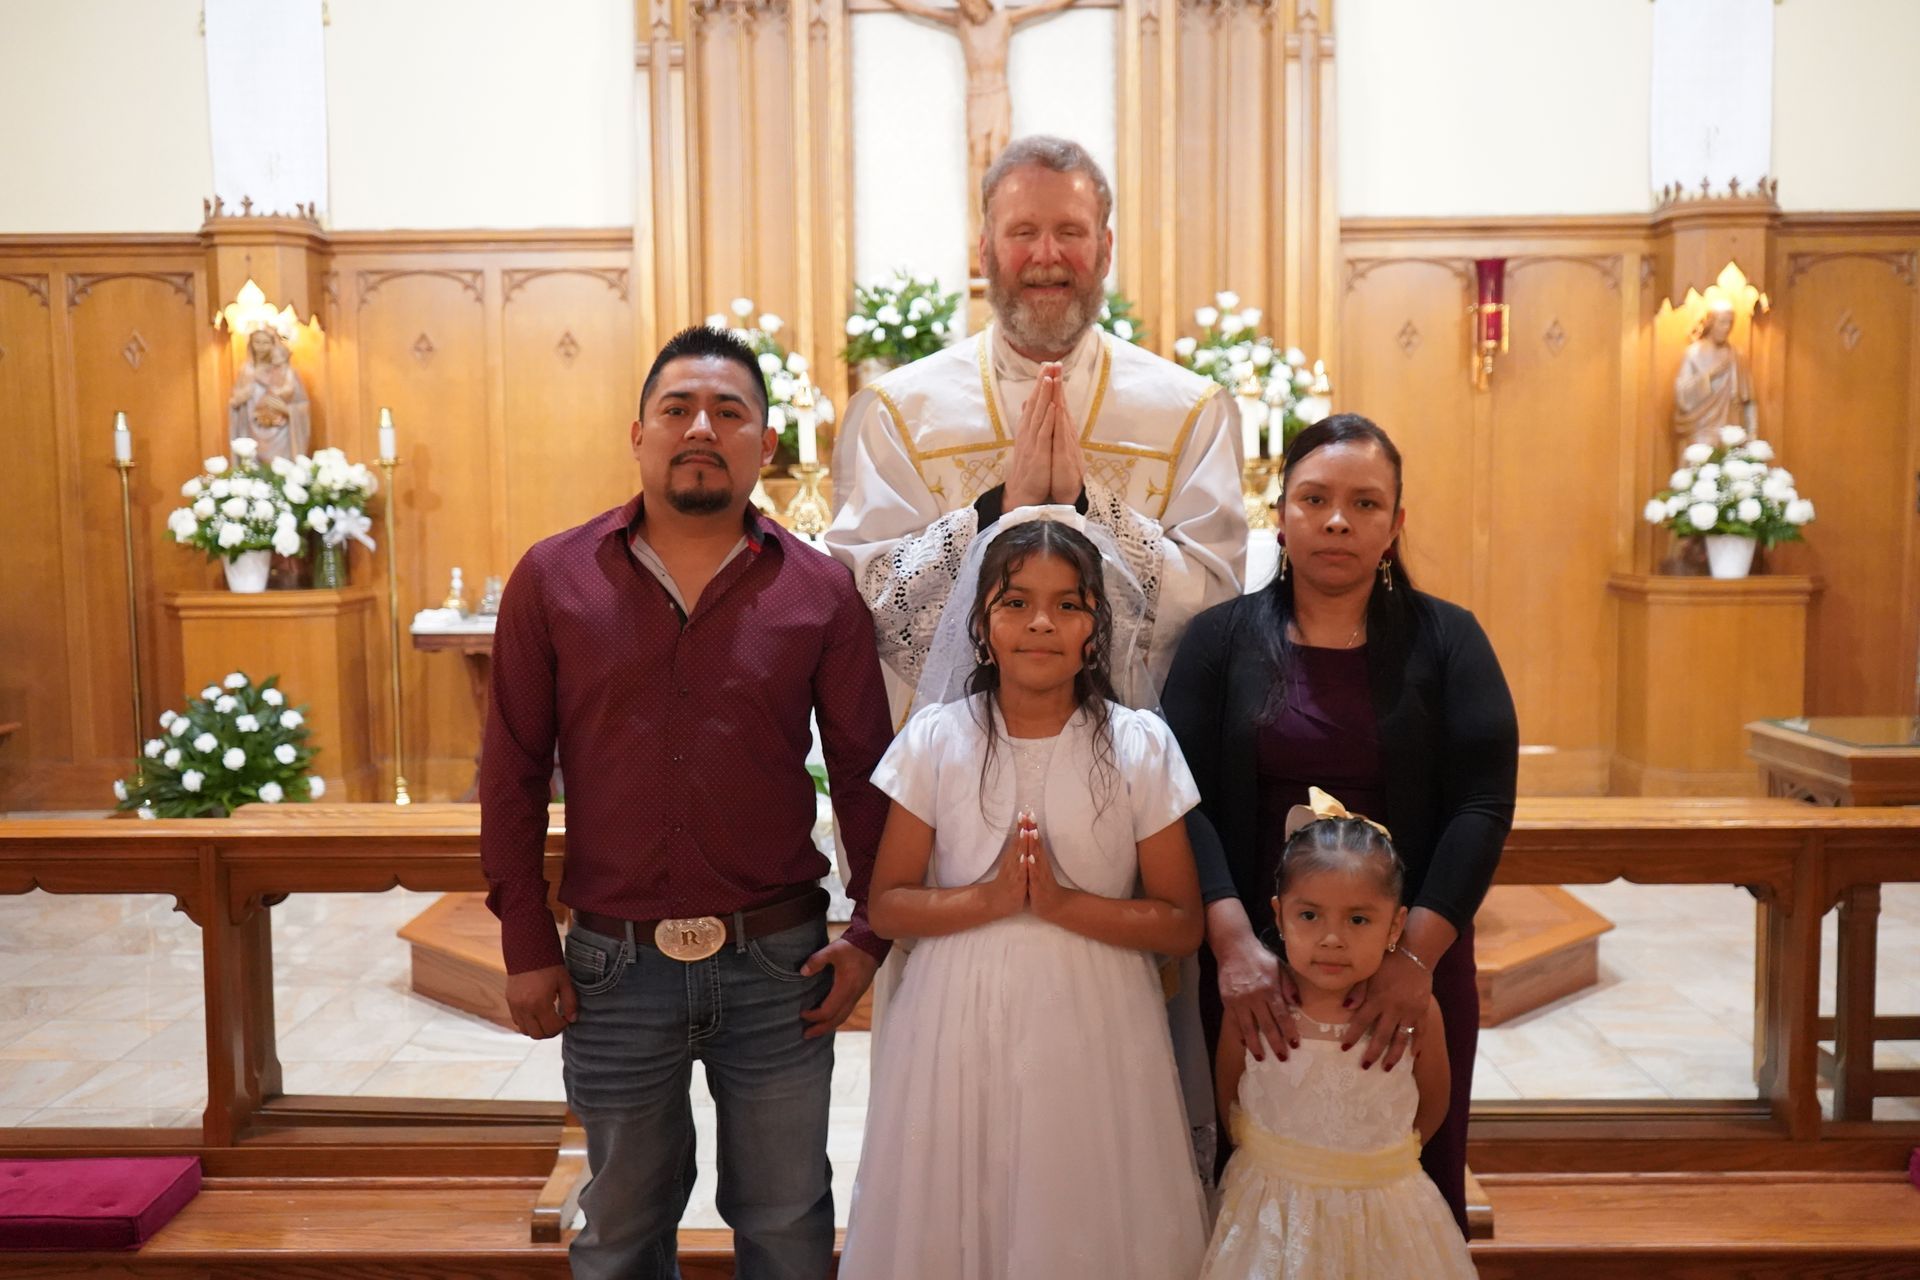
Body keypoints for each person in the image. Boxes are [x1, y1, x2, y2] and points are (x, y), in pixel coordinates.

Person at [480, 324, 895, 1280]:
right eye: (678, 409)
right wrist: (526, 941)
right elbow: (510, 770)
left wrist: (871, 930)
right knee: (621, 1231)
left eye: (728, 412)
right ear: (639, 435)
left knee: (788, 1224)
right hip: (613, 965)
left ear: (766, 444)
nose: (701, 428)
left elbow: (866, 769)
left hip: (778, 963)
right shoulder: (555, 578)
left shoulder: (820, 591)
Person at [1162, 413, 1518, 1232]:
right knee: (1256, 1169)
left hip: (1412, 962)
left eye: (1364, 504)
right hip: (1258, 966)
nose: (1336, 521)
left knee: (1410, 1163)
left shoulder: (1449, 640)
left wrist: (1414, 959)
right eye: (1314, 499)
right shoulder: (1219, 641)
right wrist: (1233, 945)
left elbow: (1482, 804)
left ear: (1395, 524)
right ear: (1279, 514)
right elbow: (1179, 797)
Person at [838, 514, 1210, 1280]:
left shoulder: (1140, 745)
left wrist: (1063, 905)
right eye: (1016, 603)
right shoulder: (935, 741)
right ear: (981, 624)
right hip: (956, 1017)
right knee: (962, 1206)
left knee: (1078, 1204)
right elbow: (892, 904)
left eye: (1068, 604)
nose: (1042, 622)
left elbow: (1180, 924)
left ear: (1095, 627)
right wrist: (994, 897)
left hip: (1098, 1019)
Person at [826, 134, 1245, 720]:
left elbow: (1213, 607)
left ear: (1105, 249)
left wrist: (1090, 507)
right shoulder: (898, 411)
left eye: (1070, 231)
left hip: (1131, 758)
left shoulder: (1189, 411)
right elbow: (869, 603)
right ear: (985, 251)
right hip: (949, 760)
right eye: (1023, 232)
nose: (1047, 254)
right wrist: (995, 511)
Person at [1201, 789, 1476, 1280]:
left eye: (1358, 919)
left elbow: (1434, 1103)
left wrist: (1378, 1160)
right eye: (1309, 916)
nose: (1332, 938)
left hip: (1384, 1213)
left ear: (1396, 925)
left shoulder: (1416, 1011)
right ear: (1279, 915)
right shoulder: (1257, 1005)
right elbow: (1230, 1095)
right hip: (1271, 1211)